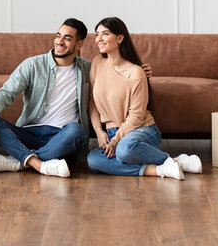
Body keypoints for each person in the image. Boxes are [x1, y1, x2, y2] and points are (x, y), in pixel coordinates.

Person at [85, 17, 202, 180]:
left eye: (105, 34)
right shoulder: (97, 63)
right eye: (97, 34)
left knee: (124, 150)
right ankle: (160, 169)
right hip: (111, 133)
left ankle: (171, 160)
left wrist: (115, 141)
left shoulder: (136, 72)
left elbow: (137, 116)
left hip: (140, 130)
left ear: (120, 38)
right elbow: (91, 101)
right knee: (93, 160)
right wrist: (99, 131)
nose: (99, 39)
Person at [0, 18, 92, 178]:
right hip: (29, 133)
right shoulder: (32, 64)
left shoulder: (88, 69)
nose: (59, 41)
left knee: (77, 131)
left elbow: (112, 80)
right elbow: (7, 92)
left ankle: (21, 160)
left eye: (67, 38)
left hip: (61, 136)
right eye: (58, 35)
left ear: (80, 44)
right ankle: (39, 164)